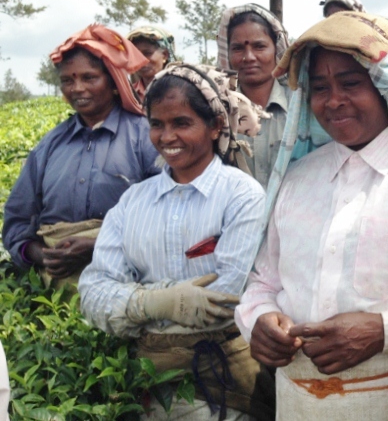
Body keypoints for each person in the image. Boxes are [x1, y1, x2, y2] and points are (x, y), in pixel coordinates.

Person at [235, 12, 388, 420]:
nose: (333, 100)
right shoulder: (297, 179)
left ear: (387, 84)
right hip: (296, 406)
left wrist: (384, 332)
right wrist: (259, 319)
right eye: (319, 87)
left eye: (352, 83)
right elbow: (263, 282)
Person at [79, 63, 274, 421]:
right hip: (147, 380)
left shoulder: (241, 196)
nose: (167, 137)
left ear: (215, 126)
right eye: (157, 124)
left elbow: (225, 298)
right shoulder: (133, 201)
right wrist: (154, 303)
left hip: (222, 378)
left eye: (182, 123)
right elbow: (92, 291)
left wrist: (131, 300)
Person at [2, 25, 159, 284]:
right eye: (67, 80)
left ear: (113, 82)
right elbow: (18, 219)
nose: (77, 88)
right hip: (58, 280)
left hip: (131, 277)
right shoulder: (50, 146)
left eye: (89, 78)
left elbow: (170, 214)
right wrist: (41, 255)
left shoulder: (145, 137)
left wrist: (95, 246)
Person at [216, 3, 291, 188]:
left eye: (259, 46)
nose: (248, 57)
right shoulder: (217, 109)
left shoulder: (300, 105)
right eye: (238, 48)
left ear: (276, 49)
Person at [127, 25, 177, 101]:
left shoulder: (179, 91)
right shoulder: (128, 95)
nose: (141, 60)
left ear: (165, 55)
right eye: (136, 54)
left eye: (147, 53)